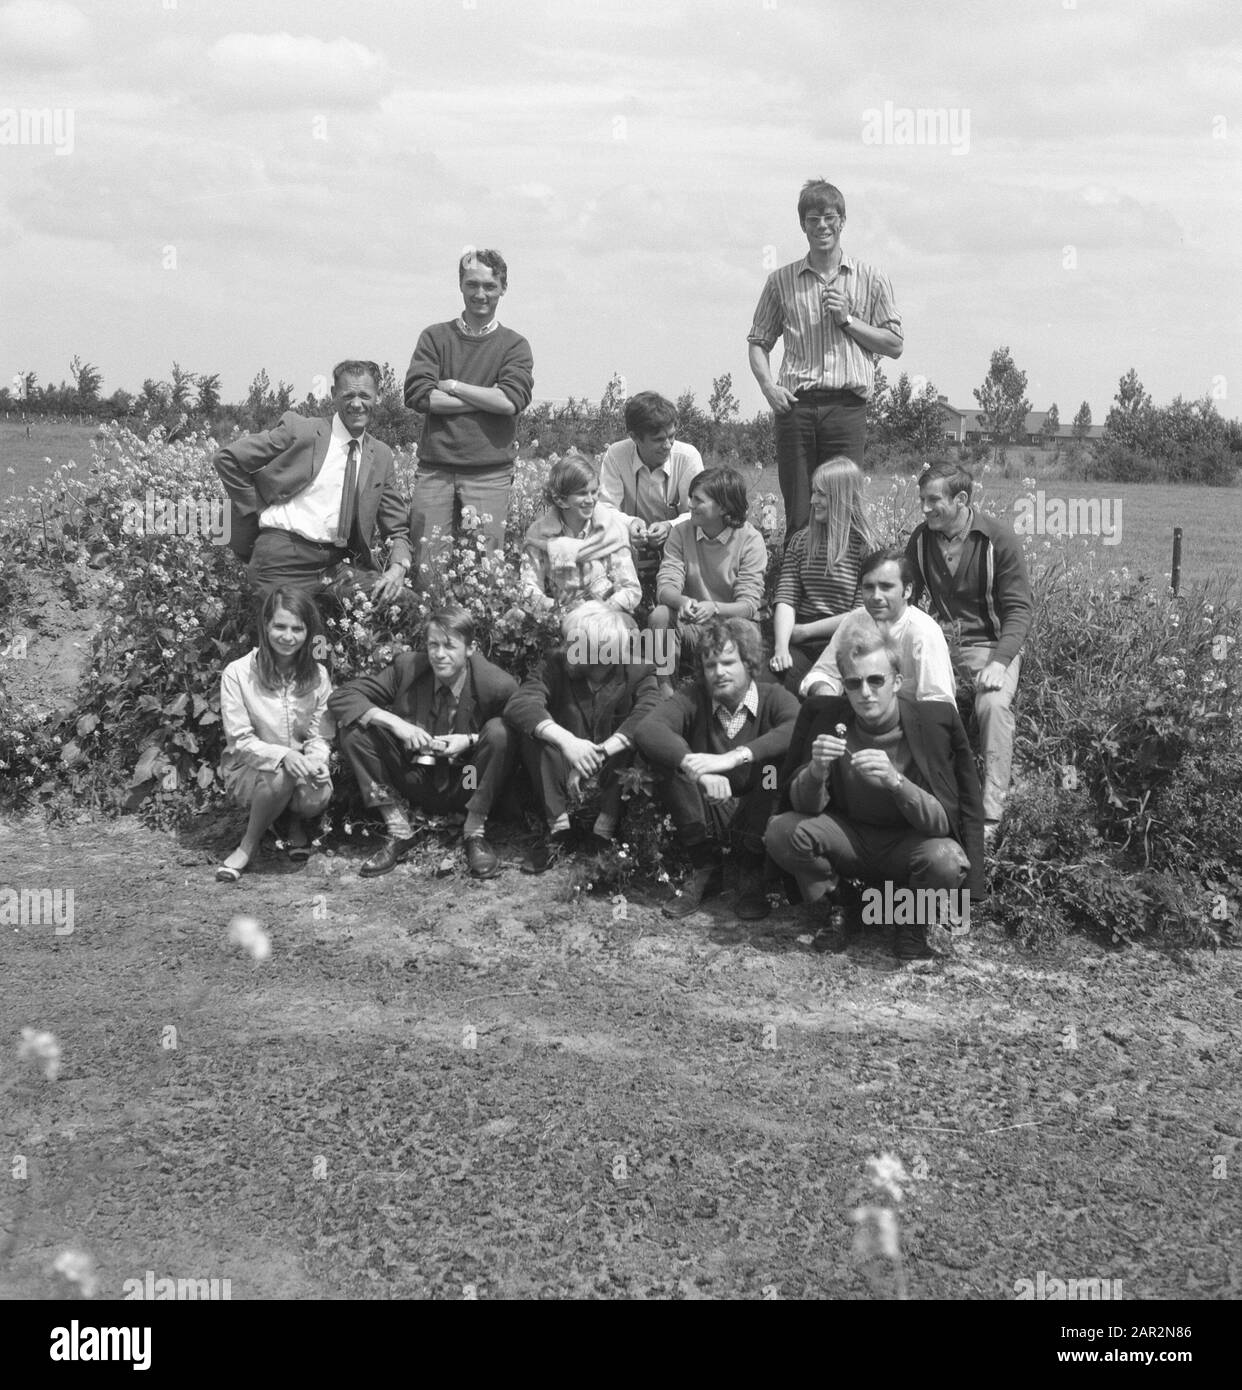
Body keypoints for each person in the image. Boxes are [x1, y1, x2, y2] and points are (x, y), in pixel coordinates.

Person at [766, 629, 984, 960]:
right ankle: (842, 905)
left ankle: (910, 922)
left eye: (876, 680)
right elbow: (804, 808)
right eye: (853, 683)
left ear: (897, 682)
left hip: (907, 844)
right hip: (849, 837)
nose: (865, 692)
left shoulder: (932, 724)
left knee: (947, 860)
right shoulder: (828, 718)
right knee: (781, 831)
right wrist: (816, 771)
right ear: (843, 685)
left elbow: (943, 822)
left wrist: (896, 782)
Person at [747, 178, 903, 540]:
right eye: (813, 218)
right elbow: (758, 342)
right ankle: (794, 592)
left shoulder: (870, 278)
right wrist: (768, 387)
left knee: (843, 508)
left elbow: (893, 344)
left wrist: (848, 320)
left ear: (842, 221)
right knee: (800, 510)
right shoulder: (781, 281)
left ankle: (845, 592)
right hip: (796, 408)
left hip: (846, 408)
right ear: (802, 224)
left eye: (829, 217)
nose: (821, 226)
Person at [327, 604, 517, 879]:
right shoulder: (409, 668)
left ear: (470, 648)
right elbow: (342, 697)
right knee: (355, 731)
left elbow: (519, 727)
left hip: (467, 780)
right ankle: (399, 828)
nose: (439, 655)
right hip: (413, 777)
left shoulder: (495, 684)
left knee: (499, 731)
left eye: (450, 646)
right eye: (433, 645)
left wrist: (470, 740)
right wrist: (397, 724)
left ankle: (474, 832)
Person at [635, 618, 800, 921]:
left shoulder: (773, 696)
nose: (719, 672)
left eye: (728, 662)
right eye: (710, 665)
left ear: (748, 663)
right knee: (669, 759)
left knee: (773, 768)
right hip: (708, 805)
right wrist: (697, 769)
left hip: (757, 804)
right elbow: (648, 728)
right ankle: (705, 866)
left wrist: (737, 756)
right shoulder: (694, 696)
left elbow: (797, 727)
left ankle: (753, 869)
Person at [905, 460, 1033, 842]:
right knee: (904, 698)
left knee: (992, 706)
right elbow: (908, 596)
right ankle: (916, 801)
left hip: (990, 645)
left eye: (933, 500)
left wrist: (1000, 661)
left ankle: (991, 814)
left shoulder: (998, 539)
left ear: (961, 499)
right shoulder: (921, 538)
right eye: (921, 500)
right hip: (941, 643)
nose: (925, 509)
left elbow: (1019, 610)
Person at [213, 360, 412, 602]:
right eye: (348, 395)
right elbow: (228, 459)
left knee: (407, 604)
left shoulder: (381, 455)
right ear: (333, 396)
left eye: (364, 395)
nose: (357, 404)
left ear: (378, 396)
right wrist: (257, 509)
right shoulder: (302, 430)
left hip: (336, 566)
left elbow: (397, 528)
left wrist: (398, 567)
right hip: (282, 558)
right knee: (287, 635)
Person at [505, 602, 661, 872]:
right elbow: (521, 703)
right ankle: (558, 829)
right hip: (562, 763)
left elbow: (650, 712)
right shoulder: (556, 663)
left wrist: (600, 752)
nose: (567, 648)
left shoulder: (639, 670)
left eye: (576, 643)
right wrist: (569, 742)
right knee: (534, 733)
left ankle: (604, 830)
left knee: (637, 737)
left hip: (612, 767)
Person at [403, 249, 534, 569]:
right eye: (472, 284)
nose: (480, 294)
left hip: (490, 474)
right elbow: (419, 396)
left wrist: (454, 386)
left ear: (504, 288)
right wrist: (486, 398)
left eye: (490, 286)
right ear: (460, 286)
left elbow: (509, 401)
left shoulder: (515, 345)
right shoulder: (434, 337)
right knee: (427, 569)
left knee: (485, 569)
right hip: (435, 471)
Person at [216, 587, 334, 881]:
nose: (288, 636)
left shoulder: (318, 675)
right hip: (248, 768)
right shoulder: (238, 673)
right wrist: (284, 755)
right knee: (280, 773)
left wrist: (317, 762)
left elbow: (320, 735)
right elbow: (240, 741)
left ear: (308, 632)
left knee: (321, 792)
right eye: (280, 626)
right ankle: (249, 844)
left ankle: (290, 821)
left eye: (297, 628)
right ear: (265, 625)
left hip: (299, 765)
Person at [648, 466, 767, 684]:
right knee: (661, 615)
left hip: (733, 627)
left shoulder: (750, 540)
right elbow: (666, 585)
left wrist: (714, 608)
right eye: (690, 498)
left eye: (698, 500)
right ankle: (663, 687)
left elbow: (749, 604)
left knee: (748, 629)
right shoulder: (681, 532)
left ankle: (733, 686)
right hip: (694, 628)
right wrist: (682, 601)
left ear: (723, 507)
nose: (690, 505)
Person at [769, 456, 877, 692]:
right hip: (795, 634)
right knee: (665, 617)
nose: (812, 500)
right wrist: (781, 646)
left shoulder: (866, 547)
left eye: (821, 494)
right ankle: (665, 682)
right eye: (813, 492)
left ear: (841, 497)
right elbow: (787, 598)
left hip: (844, 636)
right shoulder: (801, 541)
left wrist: (803, 632)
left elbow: (862, 613)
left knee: (820, 691)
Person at [799, 547, 956, 703]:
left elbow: (939, 704)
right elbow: (822, 673)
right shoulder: (855, 621)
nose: (876, 596)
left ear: (907, 590)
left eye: (886, 587)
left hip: (912, 722)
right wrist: (826, 695)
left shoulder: (923, 633)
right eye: (868, 587)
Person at [598, 391, 704, 582]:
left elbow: (698, 512)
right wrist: (630, 524)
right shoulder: (616, 454)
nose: (668, 445)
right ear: (635, 438)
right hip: (628, 545)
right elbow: (605, 507)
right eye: (658, 440)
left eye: (671, 436)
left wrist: (670, 526)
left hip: (679, 545)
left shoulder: (688, 457)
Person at [520, 452, 641, 616]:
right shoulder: (540, 534)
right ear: (560, 499)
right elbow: (529, 587)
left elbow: (631, 589)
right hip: (557, 617)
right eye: (582, 493)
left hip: (606, 618)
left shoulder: (611, 531)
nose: (591, 500)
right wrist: (558, 608)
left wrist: (600, 609)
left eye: (594, 492)